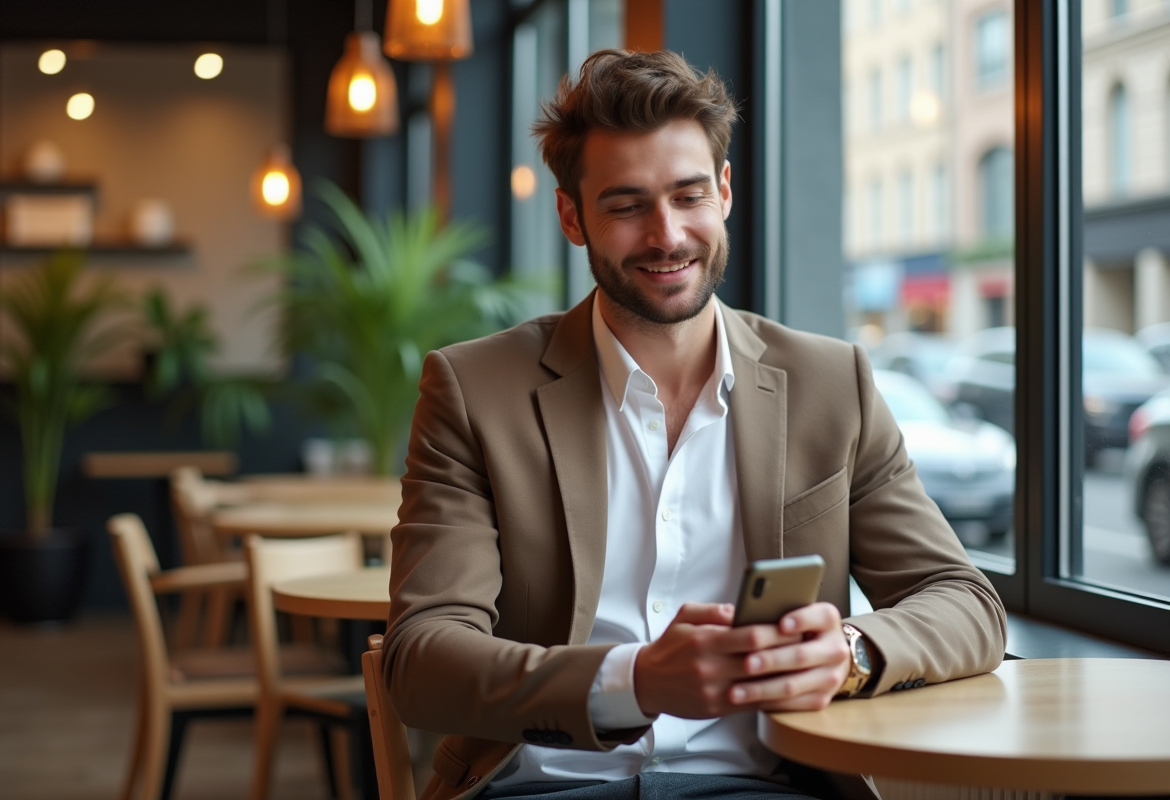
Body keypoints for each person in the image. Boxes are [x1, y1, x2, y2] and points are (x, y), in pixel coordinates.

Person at [384, 49, 1006, 800]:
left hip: (765, 786)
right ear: (571, 216)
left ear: (725, 192)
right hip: (547, 786)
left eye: (688, 196)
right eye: (626, 205)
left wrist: (852, 651)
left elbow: (964, 600)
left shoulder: (830, 382)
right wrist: (635, 680)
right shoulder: (476, 388)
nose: (667, 235)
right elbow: (420, 661)